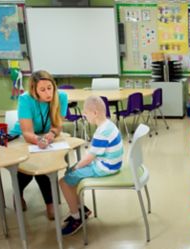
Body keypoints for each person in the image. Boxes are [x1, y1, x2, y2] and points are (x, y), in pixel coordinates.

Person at [59, 95, 124, 236]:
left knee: (64, 182)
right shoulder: (109, 125)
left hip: (105, 167)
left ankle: (76, 217)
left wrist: (76, 167)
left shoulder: (101, 132)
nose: (84, 115)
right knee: (70, 173)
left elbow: (88, 159)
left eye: (85, 112)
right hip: (112, 164)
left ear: (94, 113)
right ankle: (81, 208)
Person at [9, 70, 68, 220]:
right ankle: (18, 194)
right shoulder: (25, 99)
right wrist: (39, 140)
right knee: (28, 170)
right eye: (42, 90)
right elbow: (27, 132)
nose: (48, 93)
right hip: (22, 138)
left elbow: (58, 125)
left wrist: (52, 134)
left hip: (46, 137)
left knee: (45, 166)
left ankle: (49, 203)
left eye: (50, 87)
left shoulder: (61, 97)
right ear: (34, 90)